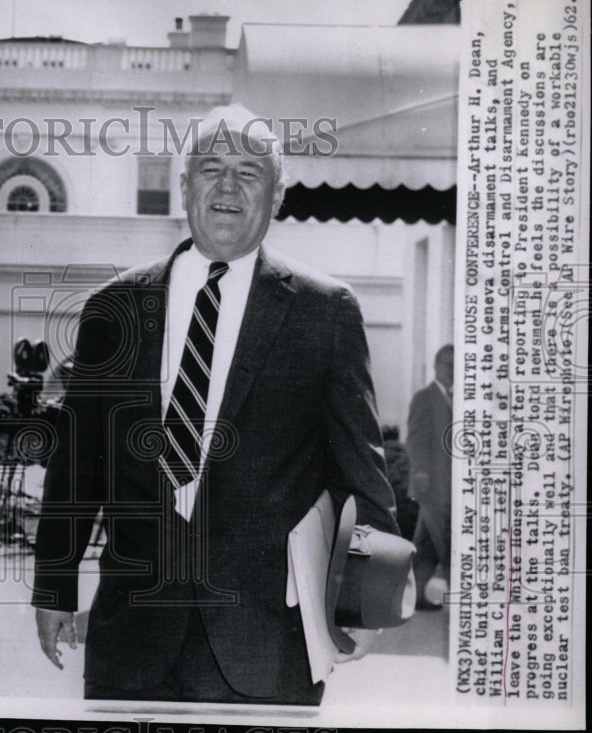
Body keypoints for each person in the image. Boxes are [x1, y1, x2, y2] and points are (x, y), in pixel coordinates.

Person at [32, 104, 399, 704]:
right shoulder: (112, 309)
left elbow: (363, 472)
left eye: (249, 172)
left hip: (268, 649)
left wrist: (367, 600)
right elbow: (76, 468)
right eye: (210, 168)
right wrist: (53, 587)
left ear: (277, 196)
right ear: (184, 186)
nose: (227, 186)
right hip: (133, 640)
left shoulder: (325, 313)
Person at [407, 343, 454, 610]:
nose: (452, 370)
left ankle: (410, 595)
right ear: (436, 365)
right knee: (447, 540)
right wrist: (421, 471)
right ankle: (463, 599)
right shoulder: (424, 397)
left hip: (444, 485)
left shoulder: (454, 398)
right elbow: (416, 437)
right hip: (430, 484)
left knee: (425, 545)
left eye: (456, 365)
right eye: (448, 364)